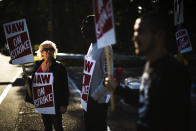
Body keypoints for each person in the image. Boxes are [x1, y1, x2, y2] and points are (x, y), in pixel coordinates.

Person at [105, 11, 191, 131]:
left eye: (140, 32)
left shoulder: (174, 72)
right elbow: (144, 99)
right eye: (134, 32)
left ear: (159, 36)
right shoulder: (150, 66)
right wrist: (118, 89)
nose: (135, 37)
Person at [23, 40, 69, 131]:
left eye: (51, 49)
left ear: (54, 51)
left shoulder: (60, 67)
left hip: (56, 102)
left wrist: (64, 104)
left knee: (58, 127)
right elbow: (35, 81)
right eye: (45, 49)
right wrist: (28, 79)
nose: (48, 51)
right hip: (43, 101)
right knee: (47, 127)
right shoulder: (38, 65)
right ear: (41, 52)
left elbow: (64, 86)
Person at [80, 15, 113, 131]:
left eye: (86, 27)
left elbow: (108, 77)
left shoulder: (105, 46)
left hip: (98, 102)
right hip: (88, 100)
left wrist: (93, 97)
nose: (82, 30)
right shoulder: (91, 45)